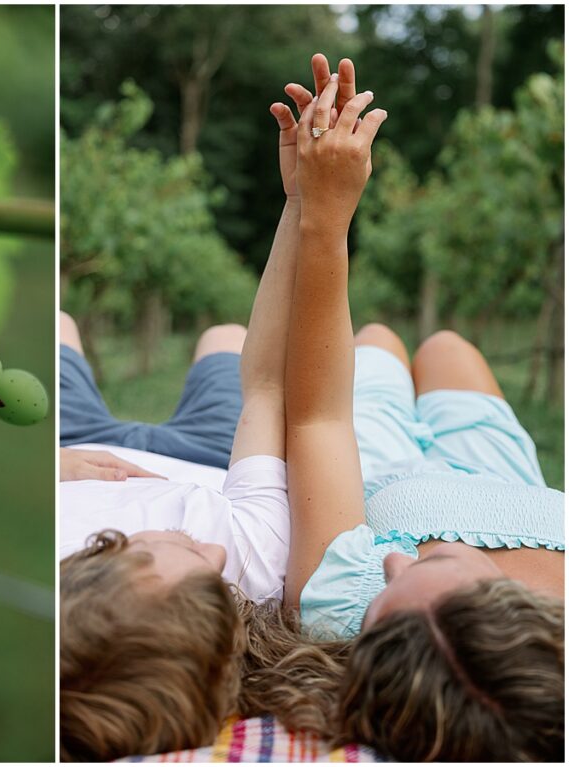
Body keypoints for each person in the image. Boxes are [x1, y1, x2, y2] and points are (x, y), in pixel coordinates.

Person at [60, 54, 363, 762]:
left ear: (100, 553)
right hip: (208, 456)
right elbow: (267, 385)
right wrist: (304, 205)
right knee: (226, 339)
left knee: (57, 322)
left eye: (184, 550)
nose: (215, 549)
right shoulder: (249, 574)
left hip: (77, 447)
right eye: (214, 578)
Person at [283, 69, 564, 761]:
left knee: (376, 339)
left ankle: (382, 346)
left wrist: (322, 213)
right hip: (503, 476)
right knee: (446, 346)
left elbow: (317, 418)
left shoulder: (347, 603)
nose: (391, 563)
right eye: (428, 560)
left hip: (375, 461)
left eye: (389, 588)